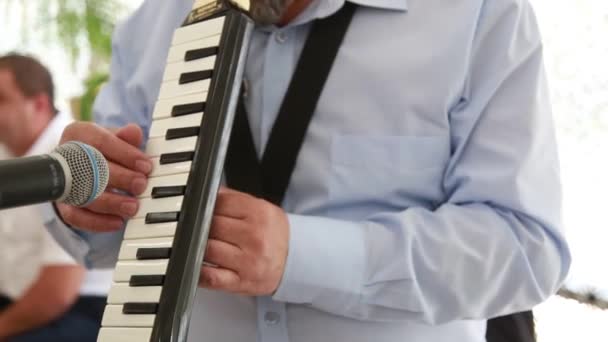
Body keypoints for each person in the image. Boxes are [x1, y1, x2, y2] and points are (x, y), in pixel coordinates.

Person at [46, 0, 571, 341]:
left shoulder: (479, 12)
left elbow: (526, 248)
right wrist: (83, 201)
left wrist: (304, 255)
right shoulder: (150, 24)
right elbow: (108, 244)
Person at [0, 54, 112, 341]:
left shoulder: (72, 159)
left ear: (38, 104)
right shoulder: (6, 147)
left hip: (77, 308)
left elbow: (57, 292)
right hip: (16, 295)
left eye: (1, 100)